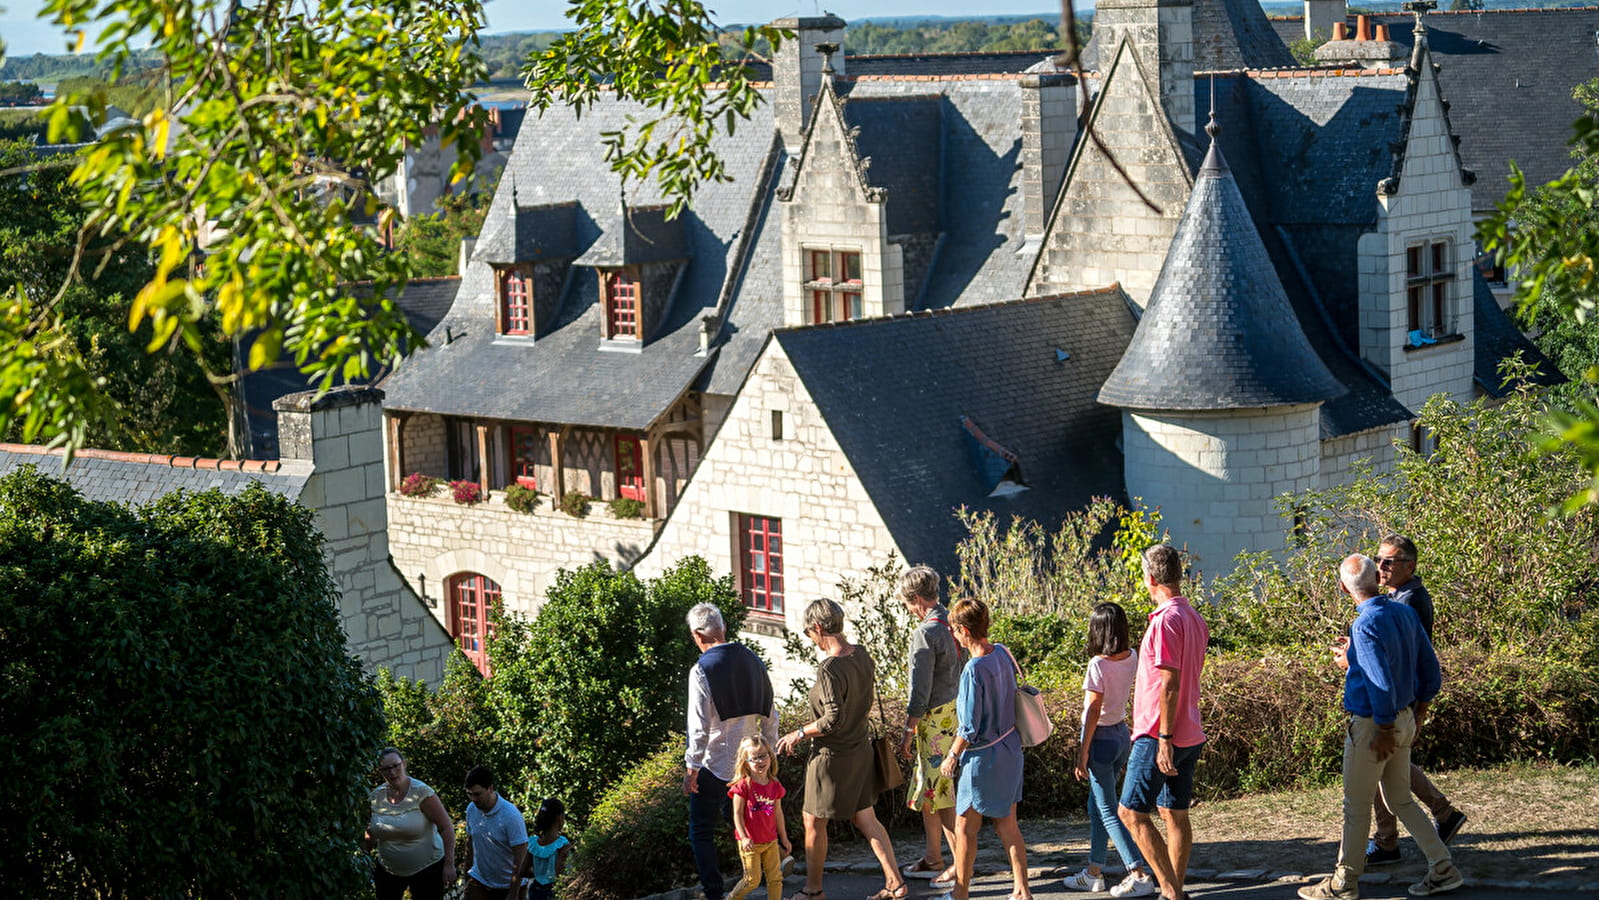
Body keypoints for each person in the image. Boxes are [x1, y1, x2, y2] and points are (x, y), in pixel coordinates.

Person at [1298, 555, 1463, 900]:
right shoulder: (1403, 612)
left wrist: (1385, 728)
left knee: (1356, 807)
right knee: (1401, 799)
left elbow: (1379, 684)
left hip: (1376, 725)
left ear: (1344, 588)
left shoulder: (1364, 625)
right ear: (1377, 577)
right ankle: (1442, 867)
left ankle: (1344, 883)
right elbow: (1430, 669)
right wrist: (1416, 714)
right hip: (1403, 716)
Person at [774, 598, 906, 900]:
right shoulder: (861, 655)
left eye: (810, 633)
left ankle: (813, 890)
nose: (812, 639)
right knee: (867, 818)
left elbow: (832, 719)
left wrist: (798, 733)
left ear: (818, 627)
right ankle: (896, 883)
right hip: (860, 749)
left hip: (832, 757)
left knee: (813, 821)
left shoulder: (830, 668)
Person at [1363, 535, 1467, 865]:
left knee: (1380, 764)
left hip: (1398, 698)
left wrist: (1354, 658)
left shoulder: (1406, 603)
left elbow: (1401, 657)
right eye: (1377, 560)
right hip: (1405, 696)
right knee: (1390, 764)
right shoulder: (1402, 596)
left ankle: (1388, 840)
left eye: (1388, 562)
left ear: (1410, 566)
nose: (1380, 567)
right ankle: (1440, 815)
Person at [1117, 543, 1209, 900]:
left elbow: (1169, 684)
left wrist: (1164, 738)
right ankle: (1175, 889)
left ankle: (1172, 893)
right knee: (1174, 812)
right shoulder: (1194, 617)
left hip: (1160, 733)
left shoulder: (1165, 621)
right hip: (1188, 729)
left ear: (1150, 577)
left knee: (1131, 813)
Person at [934, 597, 1031, 900]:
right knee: (1008, 825)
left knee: (965, 830)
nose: (954, 636)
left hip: (982, 758)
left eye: (954, 630)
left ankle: (960, 893)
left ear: (964, 630)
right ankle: (1022, 890)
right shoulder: (1002, 652)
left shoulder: (973, 669)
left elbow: (969, 727)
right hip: (1010, 749)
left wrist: (952, 757)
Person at [684, 602, 779, 900]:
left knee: (701, 830)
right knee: (744, 816)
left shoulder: (702, 670)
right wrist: (769, 755)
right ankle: (774, 863)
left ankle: (713, 892)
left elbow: (698, 727)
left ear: (699, 635)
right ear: (722, 628)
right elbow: (771, 715)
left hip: (717, 764)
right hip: (750, 763)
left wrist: (692, 767)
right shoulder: (753, 660)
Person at [1061, 603, 1156, 897]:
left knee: (1107, 809)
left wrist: (1082, 752)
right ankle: (1093, 872)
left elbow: (1092, 709)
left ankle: (1137, 872)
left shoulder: (1098, 664)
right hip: (1119, 734)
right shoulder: (1132, 656)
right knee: (1096, 806)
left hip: (1100, 739)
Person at [895, 565, 963, 888]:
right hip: (953, 713)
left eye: (908, 604)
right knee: (931, 792)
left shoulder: (925, 633)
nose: (908, 610)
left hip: (933, 721)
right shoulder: (951, 620)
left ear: (918, 599)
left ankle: (961, 864)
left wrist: (907, 732)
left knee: (943, 794)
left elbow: (918, 692)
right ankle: (934, 856)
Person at [365, 747, 457, 900]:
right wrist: (364, 856)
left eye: (396, 766)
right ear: (380, 771)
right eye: (386, 769)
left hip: (427, 869)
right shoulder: (376, 796)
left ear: (404, 764)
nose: (392, 773)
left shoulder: (422, 792)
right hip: (388, 869)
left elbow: (446, 827)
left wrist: (449, 865)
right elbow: (371, 830)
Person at [728, 734, 792, 900]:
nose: (760, 761)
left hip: (771, 841)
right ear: (746, 762)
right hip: (750, 844)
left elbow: (778, 813)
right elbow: (737, 814)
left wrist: (784, 838)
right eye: (754, 758)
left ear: (770, 756)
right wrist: (744, 837)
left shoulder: (774, 785)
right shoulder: (742, 786)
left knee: (776, 879)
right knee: (752, 881)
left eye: (763, 756)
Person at [463, 765, 529, 900]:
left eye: (477, 794)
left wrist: (513, 893)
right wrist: (466, 877)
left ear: (490, 789)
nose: (473, 799)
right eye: (469, 794)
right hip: (480, 881)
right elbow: (470, 843)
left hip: (508, 885)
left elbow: (521, 856)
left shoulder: (510, 816)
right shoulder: (471, 809)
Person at [518, 799, 570, 900]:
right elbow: (559, 876)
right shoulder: (562, 844)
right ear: (560, 818)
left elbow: (522, 871)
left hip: (535, 891)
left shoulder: (533, 843)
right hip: (552, 893)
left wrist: (539, 873)